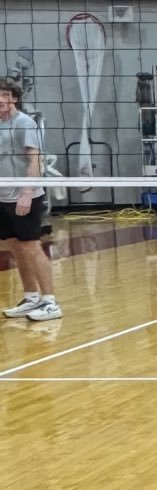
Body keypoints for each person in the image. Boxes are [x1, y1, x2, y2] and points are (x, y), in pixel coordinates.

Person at [0, 77, 59, 321]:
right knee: (16, 247)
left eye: (4, 95)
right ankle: (31, 297)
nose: (1, 100)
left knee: (31, 247)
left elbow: (34, 161)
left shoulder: (24, 123)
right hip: (3, 196)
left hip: (25, 196)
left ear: (13, 97)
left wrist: (26, 193)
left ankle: (51, 302)